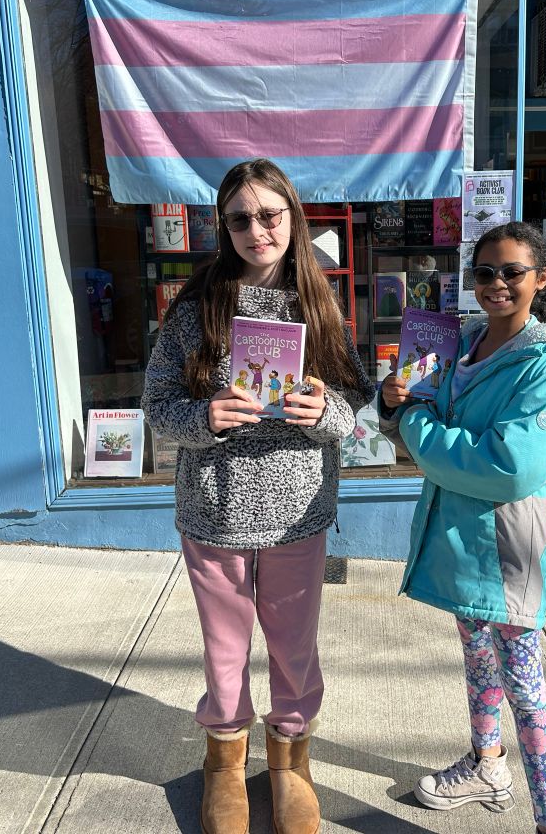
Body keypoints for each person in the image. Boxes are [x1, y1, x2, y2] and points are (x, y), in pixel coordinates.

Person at [142, 158, 374, 834]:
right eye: (240, 218)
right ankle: (224, 761)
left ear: (292, 218)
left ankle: (291, 762)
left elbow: (354, 398)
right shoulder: (196, 308)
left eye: (269, 214)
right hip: (214, 510)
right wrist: (203, 416)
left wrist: (324, 411)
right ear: (224, 226)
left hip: (297, 511)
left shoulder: (318, 303)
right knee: (224, 649)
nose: (256, 230)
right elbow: (156, 403)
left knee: (294, 647)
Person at [380, 222, 546, 834]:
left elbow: (507, 467)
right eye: (484, 272)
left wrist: (413, 424)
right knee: (478, 664)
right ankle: (487, 764)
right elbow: (421, 401)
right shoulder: (460, 343)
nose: (497, 283)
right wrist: (393, 398)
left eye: (512, 272)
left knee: (525, 688)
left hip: (505, 548)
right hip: (458, 538)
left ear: (541, 279)